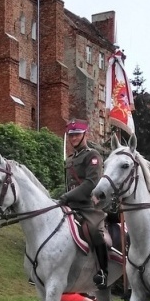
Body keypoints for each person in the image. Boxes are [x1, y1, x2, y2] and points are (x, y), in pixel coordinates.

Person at [57, 119, 109, 289]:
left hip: (87, 206)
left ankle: (103, 271)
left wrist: (67, 195)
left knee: (94, 230)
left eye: (77, 135)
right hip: (70, 204)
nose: (73, 138)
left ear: (85, 135)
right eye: (71, 135)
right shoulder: (71, 159)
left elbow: (90, 183)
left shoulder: (92, 156)